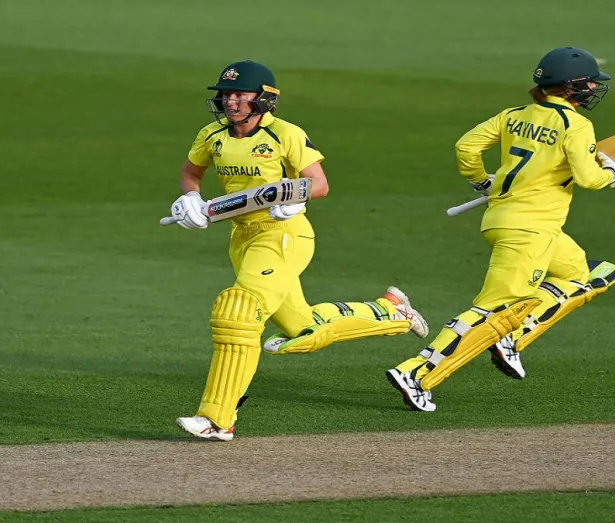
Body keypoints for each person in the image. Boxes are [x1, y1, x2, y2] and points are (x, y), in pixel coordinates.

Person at [168, 60, 429, 439]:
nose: (230, 101)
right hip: (243, 237)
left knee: (239, 312)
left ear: (263, 99)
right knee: (302, 327)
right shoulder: (212, 134)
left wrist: (294, 197)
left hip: (284, 235)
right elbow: (191, 173)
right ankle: (392, 313)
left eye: (239, 94)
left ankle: (217, 418)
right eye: (226, 94)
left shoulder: (285, 134)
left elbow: (318, 183)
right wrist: (191, 198)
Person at [385, 47, 615, 412]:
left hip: (504, 220)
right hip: (530, 231)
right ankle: (417, 373)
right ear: (571, 86)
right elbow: (588, 178)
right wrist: (612, 172)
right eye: (589, 82)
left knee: (578, 274)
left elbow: (466, 147)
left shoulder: (514, 115)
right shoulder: (576, 125)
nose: (594, 87)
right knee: (492, 309)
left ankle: (513, 335)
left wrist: (481, 181)